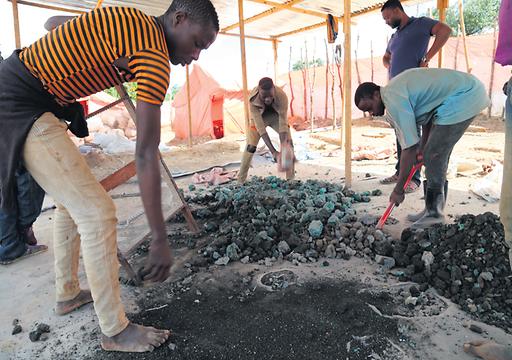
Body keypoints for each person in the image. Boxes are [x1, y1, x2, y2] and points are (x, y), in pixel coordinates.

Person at [0, 0, 218, 352]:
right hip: (20, 101)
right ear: (179, 19)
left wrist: (105, 57)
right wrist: (160, 237)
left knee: (74, 203)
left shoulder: (128, 19)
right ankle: (115, 331)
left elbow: (54, 23)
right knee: (98, 213)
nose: (195, 56)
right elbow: (146, 153)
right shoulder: (153, 56)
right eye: (197, 43)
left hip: (24, 89)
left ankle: (68, 294)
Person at [354, 68, 489, 229]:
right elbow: (427, 117)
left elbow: (409, 148)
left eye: (369, 107)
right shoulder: (395, 93)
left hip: (465, 96)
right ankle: (430, 209)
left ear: (376, 94)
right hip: (463, 93)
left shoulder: (393, 99)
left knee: (434, 155)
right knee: (431, 153)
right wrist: (423, 148)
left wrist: (398, 190)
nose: (371, 113)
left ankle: (435, 214)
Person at [380, 0, 452, 195]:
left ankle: (414, 178)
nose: (386, 21)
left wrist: (427, 58)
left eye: (387, 17)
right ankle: (400, 172)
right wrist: (389, 63)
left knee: (413, 133)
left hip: (415, 89)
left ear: (397, 10)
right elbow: (386, 56)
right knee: (401, 133)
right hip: (397, 91)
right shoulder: (394, 37)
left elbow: (445, 31)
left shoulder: (421, 24)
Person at [0, 52, 47, 264]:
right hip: (10, 123)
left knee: (8, 182)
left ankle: (13, 240)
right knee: (26, 174)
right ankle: (14, 240)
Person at [238, 77, 295, 183]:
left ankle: (290, 179)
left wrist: (283, 150)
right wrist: (273, 152)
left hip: (275, 116)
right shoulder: (252, 100)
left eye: (270, 95)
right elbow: (261, 129)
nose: (267, 99)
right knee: (250, 147)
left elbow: (283, 125)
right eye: (264, 96)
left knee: (289, 143)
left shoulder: (282, 96)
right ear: (259, 91)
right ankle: (240, 180)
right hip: (260, 117)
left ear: (274, 89)